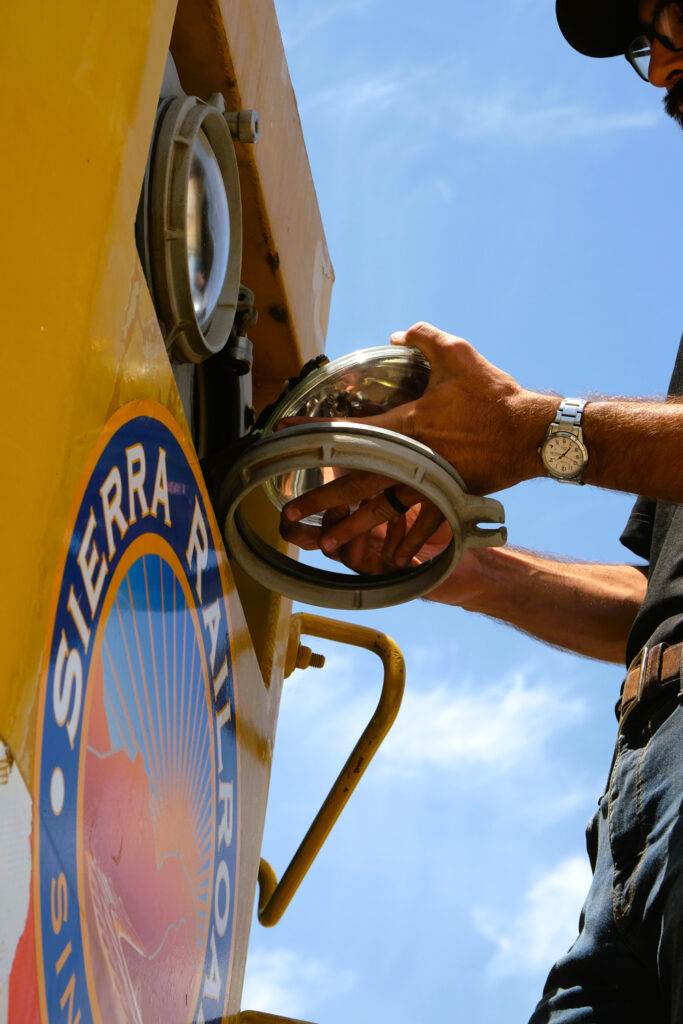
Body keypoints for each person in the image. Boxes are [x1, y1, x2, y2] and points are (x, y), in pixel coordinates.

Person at [279, 1, 683, 1020]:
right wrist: (461, 565)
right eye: (645, 40)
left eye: (668, 15)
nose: (659, 68)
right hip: (637, 804)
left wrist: (531, 432)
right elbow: (651, 606)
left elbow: (539, 436)